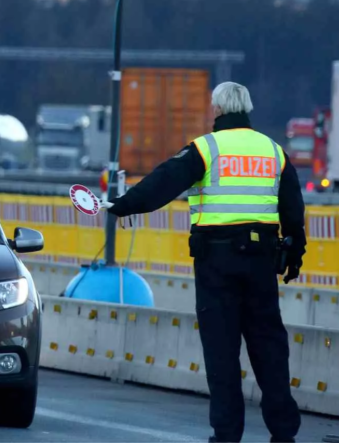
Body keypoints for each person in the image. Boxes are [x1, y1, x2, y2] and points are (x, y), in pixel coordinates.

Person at [103, 82, 305, 443]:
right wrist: (295, 253)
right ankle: (284, 433)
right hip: (261, 263)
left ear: (216, 110)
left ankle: (227, 435)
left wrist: (123, 205)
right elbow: (293, 208)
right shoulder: (273, 151)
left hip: (218, 262)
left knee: (222, 351)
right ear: (246, 108)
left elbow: (163, 183)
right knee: (270, 348)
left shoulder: (206, 148)